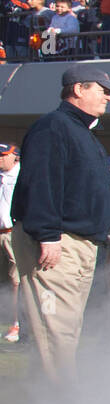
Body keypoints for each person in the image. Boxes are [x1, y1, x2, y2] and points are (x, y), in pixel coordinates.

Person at [9, 68, 110, 383]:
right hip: (57, 242)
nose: (108, 97)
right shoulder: (53, 127)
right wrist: (47, 235)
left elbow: (91, 194)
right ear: (79, 89)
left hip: (78, 242)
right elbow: (41, 184)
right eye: (103, 90)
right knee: (56, 332)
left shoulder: (82, 134)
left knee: (65, 329)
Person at [0, 143, 20, 342]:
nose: (0, 159)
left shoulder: (22, 176)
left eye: (3, 155)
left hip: (13, 232)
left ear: (15, 157)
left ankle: (17, 324)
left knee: (16, 281)